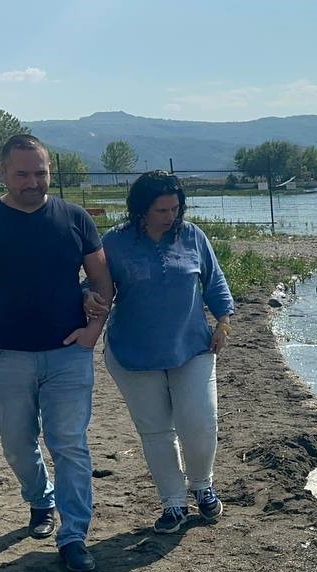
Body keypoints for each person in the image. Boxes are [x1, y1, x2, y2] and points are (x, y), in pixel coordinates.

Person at [0, 134, 113, 572]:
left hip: (68, 352)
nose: (32, 182)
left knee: (69, 442)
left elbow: (102, 279)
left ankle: (73, 535)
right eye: (22, 174)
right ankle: (40, 498)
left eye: (41, 173)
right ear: (3, 174)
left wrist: (94, 328)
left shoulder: (74, 218)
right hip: (5, 352)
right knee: (17, 442)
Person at [87, 170, 234, 534]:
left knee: (200, 422)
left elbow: (214, 281)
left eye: (176, 208)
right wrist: (85, 296)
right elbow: (96, 286)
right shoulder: (116, 242)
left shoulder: (192, 235)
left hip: (192, 346)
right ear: (140, 210)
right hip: (133, 353)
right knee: (155, 432)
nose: (171, 217)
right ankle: (173, 503)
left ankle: (202, 486)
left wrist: (224, 322)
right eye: (162, 210)